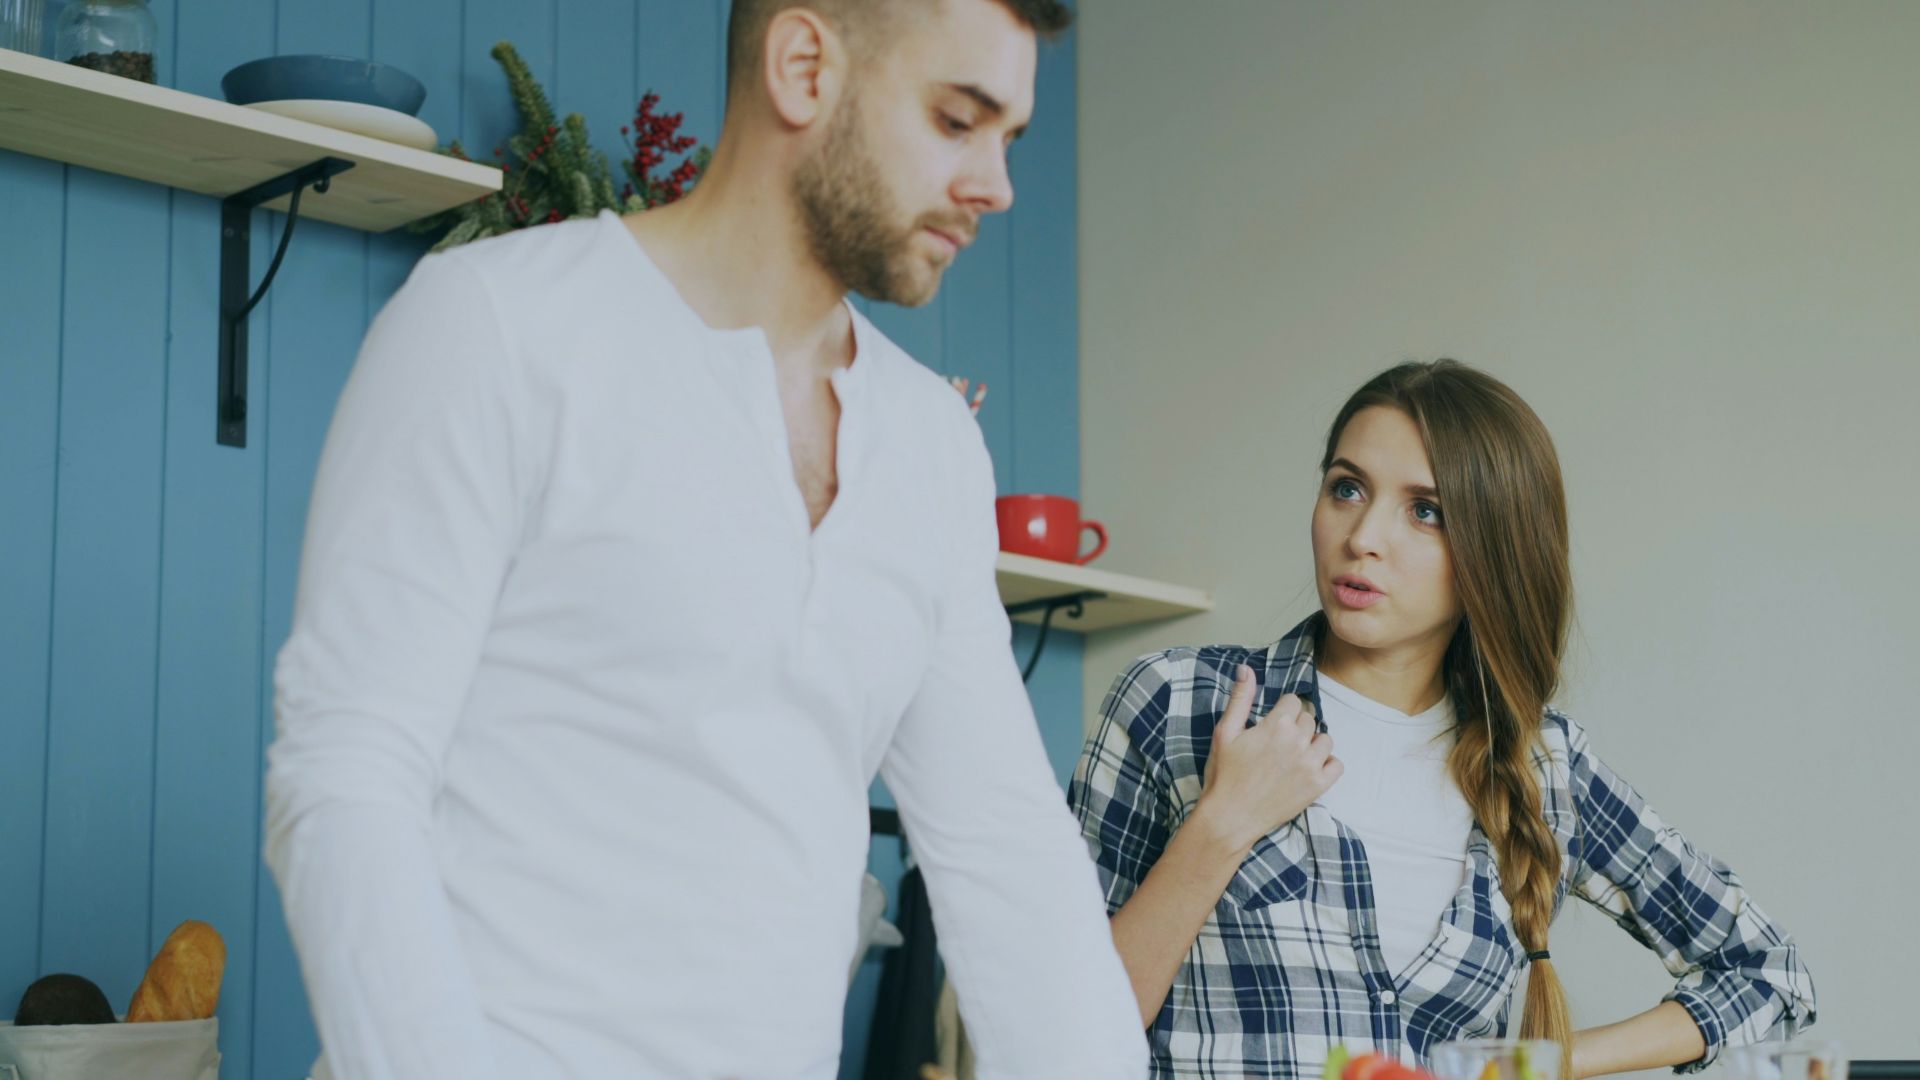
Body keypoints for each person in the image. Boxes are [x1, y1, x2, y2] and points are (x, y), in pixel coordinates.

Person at [264, 1, 1146, 1076]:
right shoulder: (494, 327)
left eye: (1009, 141)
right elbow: (346, 776)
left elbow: (1009, 859)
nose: (997, 187)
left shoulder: (931, 450)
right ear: (803, 65)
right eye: (959, 120)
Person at [1070, 360, 1815, 1078]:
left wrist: (1539, 1066)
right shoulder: (1178, 702)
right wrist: (1222, 824)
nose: (1363, 537)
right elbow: (1053, 1029)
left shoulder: (1543, 764)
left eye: (1425, 511)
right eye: (1346, 488)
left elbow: (1767, 974)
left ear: (1494, 552)